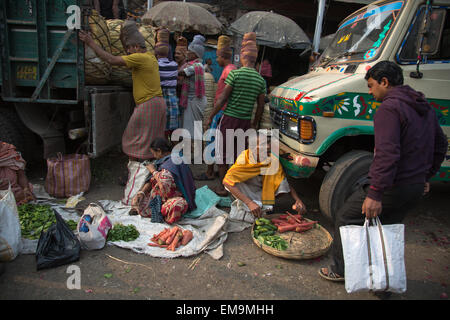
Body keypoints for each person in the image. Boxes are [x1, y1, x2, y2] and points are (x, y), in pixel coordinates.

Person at [318, 61, 448, 282]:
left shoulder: (389, 108)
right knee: (386, 229)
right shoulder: (423, 107)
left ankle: (341, 270)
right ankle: (383, 283)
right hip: (414, 188)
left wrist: (375, 193)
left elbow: (387, 154)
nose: (369, 92)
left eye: (371, 86)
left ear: (384, 82)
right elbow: (441, 145)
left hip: (394, 185)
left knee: (346, 217)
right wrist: (426, 176)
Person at [79, 21, 167, 177]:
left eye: (128, 49)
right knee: (147, 141)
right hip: (155, 104)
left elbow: (112, 60)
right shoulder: (149, 57)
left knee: (135, 139)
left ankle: (139, 175)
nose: (127, 52)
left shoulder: (140, 58)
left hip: (149, 104)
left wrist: (90, 42)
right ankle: (143, 174)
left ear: (134, 47)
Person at [205, 32, 266, 196]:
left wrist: (210, 116)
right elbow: (260, 106)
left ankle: (223, 187)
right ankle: (234, 186)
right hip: (245, 122)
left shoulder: (235, 74)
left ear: (242, 57)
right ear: (255, 59)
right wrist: (254, 123)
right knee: (237, 156)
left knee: (222, 155)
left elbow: (222, 98)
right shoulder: (260, 80)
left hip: (229, 120)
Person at [223, 131, 306, 219]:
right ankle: (247, 204)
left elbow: (284, 183)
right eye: (263, 144)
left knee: (282, 183)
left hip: (262, 191)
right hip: (247, 190)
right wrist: (249, 203)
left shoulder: (272, 159)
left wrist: (297, 200)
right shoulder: (243, 160)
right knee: (231, 182)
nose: (268, 146)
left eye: (268, 143)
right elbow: (226, 182)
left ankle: (264, 205)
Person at [196, 35, 236, 181]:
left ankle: (210, 172)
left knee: (213, 142)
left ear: (221, 56)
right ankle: (212, 170)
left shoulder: (229, 70)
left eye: (217, 57)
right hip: (222, 111)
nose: (215, 60)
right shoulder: (229, 69)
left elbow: (224, 97)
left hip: (222, 112)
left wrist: (212, 115)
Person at [130, 138, 197, 224]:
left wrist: (153, 171)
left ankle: (161, 213)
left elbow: (165, 186)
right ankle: (154, 208)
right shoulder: (165, 161)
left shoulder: (170, 164)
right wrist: (142, 193)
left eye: (154, 153)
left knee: (176, 205)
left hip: (175, 197)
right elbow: (152, 180)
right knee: (138, 199)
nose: (154, 156)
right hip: (160, 196)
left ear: (159, 151)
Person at [178, 35, 207, 154]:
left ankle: (195, 153)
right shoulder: (195, 65)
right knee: (193, 129)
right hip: (193, 100)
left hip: (194, 100)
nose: (187, 53)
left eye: (189, 51)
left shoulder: (196, 66)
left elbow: (180, 73)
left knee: (193, 130)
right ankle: (195, 153)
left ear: (195, 54)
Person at [155, 28, 180, 140]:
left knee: (160, 124)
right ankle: (172, 147)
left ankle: (163, 144)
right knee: (172, 124)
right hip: (172, 97)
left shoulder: (155, 65)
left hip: (161, 96)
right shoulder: (174, 64)